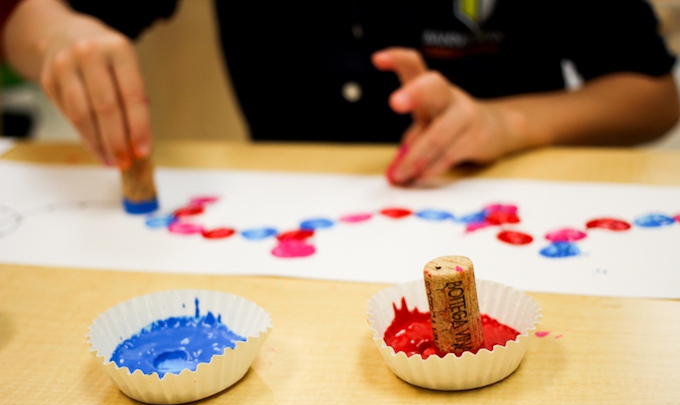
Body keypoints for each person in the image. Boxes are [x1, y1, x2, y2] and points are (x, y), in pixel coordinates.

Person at [3, 0, 679, 185]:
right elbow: (28, 16)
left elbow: (652, 91)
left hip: (506, 205)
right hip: (282, 246)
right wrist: (60, 37)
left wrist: (509, 123)